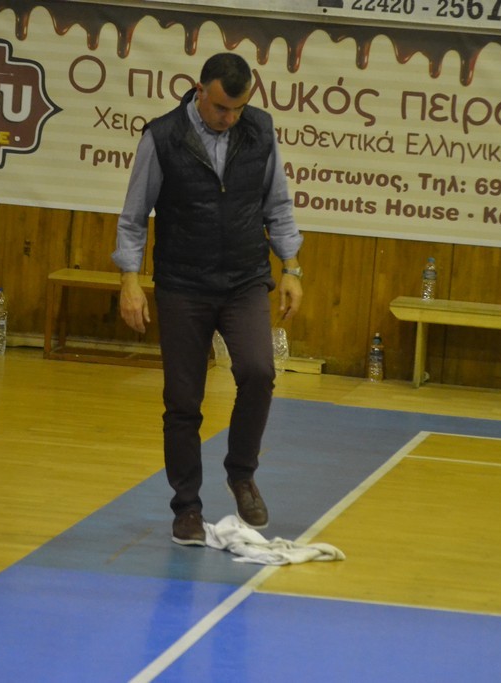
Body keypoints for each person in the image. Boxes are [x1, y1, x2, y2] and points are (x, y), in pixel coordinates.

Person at [113, 53, 304, 546]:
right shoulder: (162, 137)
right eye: (221, 107)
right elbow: (134, 217)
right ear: (199, 91)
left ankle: (241, 475)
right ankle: (188, 508)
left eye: (238, 108)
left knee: (259, 373)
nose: (229, 118)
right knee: (183, 401)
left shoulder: (260, 130)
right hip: (183, 284)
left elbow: (278, 205)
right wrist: (130, 280)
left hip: (244, 280)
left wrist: (291, 267)